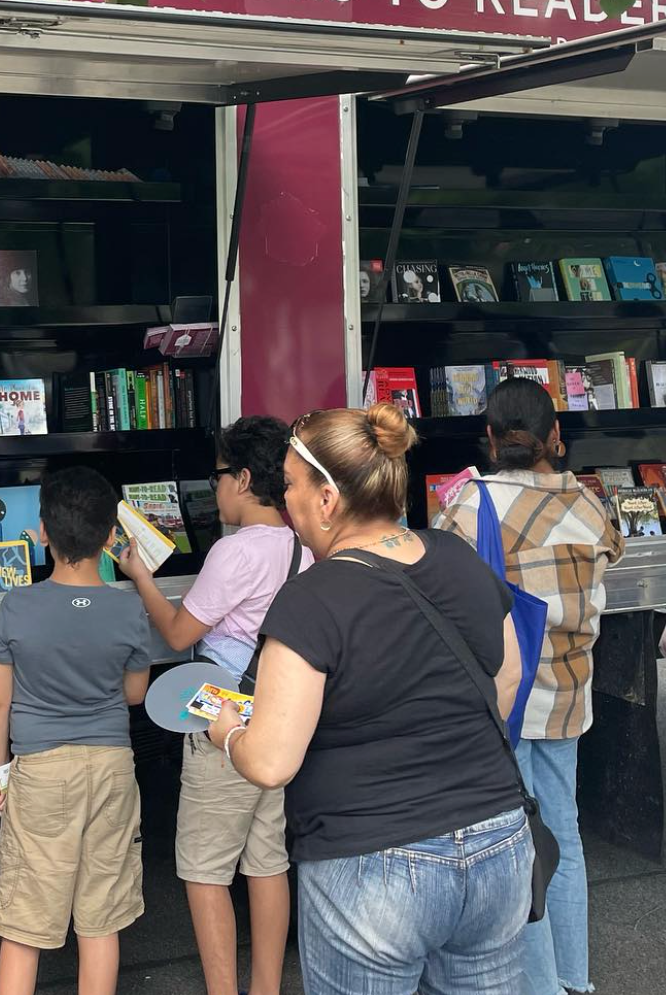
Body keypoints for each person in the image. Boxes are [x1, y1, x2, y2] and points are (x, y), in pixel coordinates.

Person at [210, 403, 530, 995]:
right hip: (498, 841)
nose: (288, 504)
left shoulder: (310, 600)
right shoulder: (458, 558)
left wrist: (227, 730)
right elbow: (507, 678)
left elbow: (272, 761)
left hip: (372, 861)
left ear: (327, 498)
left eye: (292, 488)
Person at [437, 378, 624, 995]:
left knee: (516, 845)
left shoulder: (467, 506)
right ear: (556, 438)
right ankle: (575, 978)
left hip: (502, 698)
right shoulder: (592, 506)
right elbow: (610, 558)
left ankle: (539, 984)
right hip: (568, 694)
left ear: (489, 440)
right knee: (562, 835)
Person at [116, 415, 310, 995]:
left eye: (220, 475)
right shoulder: (304, 545)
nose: (215, 486)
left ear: (245, 479)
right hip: (280, 718)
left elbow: (178, 634)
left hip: (224, 725)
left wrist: (139, 575)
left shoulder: (236, 552)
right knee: (268, 861)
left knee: (204, 871)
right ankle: (267, 988)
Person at [0, 466, 152, 995]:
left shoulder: (19, 605)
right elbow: (135, 694)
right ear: (109, 536)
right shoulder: (129, 606)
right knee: (101, 917)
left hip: (40, 767)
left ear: (44, 534)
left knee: (26, 919)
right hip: (111, 767)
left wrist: (0, 772)